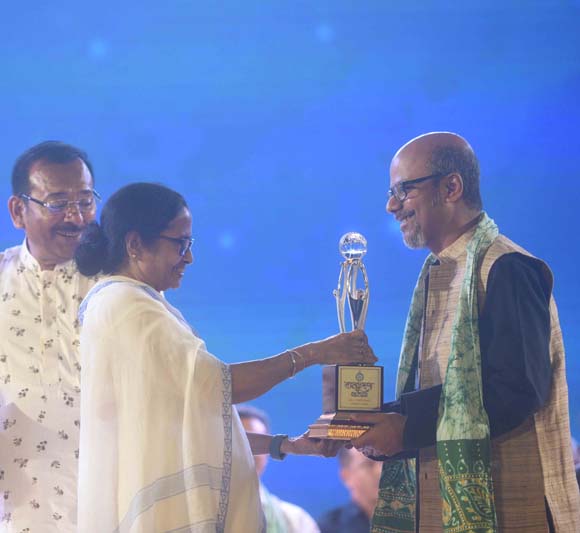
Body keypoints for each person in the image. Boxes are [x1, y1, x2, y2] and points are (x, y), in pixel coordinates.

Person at [74, 182, 376, 533]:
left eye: (190, 244)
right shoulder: (127, 306)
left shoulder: (131, 302)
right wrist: (315, 353)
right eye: (180, 244)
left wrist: (285, 445)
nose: (189, 257)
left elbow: (193, 420)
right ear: (135, 244)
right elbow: (221, 387)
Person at [351, 132, 580, 532]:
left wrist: (406, 428)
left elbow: (516, 389)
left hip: (516, 507)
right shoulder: (439, 272)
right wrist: (376, 420)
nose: (392, 206)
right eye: (391, 193)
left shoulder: (507, 267)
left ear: (451, 187)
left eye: (404, 190)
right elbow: (453, 393)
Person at [0, 141, 99, 532]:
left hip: (109, 504)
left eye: (85, 201)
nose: (76, 216)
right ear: (18, 211)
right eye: (58, 203)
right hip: (16, 508)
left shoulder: (121, 284)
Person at [237, 404, 321, 533]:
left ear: (267, 453)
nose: (248, 452)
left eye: (257, 446)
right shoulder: (203, 510)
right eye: (238, 442)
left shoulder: (296, 521)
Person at [317, 446, 382, 533]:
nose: (380, 471)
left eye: (387, 463)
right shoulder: (327, 529)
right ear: (346, 477)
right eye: (369, 465)